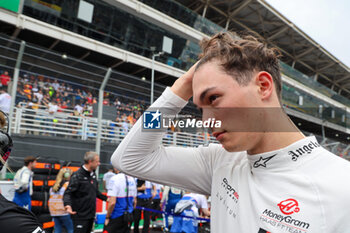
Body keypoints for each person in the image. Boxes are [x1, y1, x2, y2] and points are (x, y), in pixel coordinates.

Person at [112, 31, 350, 232]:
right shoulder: (219, 162)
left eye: (213, 98)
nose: (206, 122)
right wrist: (178, 90)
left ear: (263, 86)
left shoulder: (342, 186)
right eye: (200, 107)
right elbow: (129, 159)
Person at [63, 151, 107, 233]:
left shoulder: (93, 175)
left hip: (90, 215)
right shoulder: (77, 175)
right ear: (90, 162)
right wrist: (67, 205)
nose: (99, 164)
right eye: (97, 161)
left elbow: (95, 192)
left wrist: (107, 199)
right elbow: (68, 192)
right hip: (80, 216)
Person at [103, 168, 137, 233]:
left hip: (116, 215)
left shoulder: (115, 179)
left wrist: (107, 217)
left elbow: (112, 203)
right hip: (128, 216)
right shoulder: (132, 179)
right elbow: (135, 201)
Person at [48, 168, 74, 233]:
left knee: (57, 230)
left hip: (54, 212)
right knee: (71, 230)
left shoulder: (54, 186)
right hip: (63, 211)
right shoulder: (67, 184)